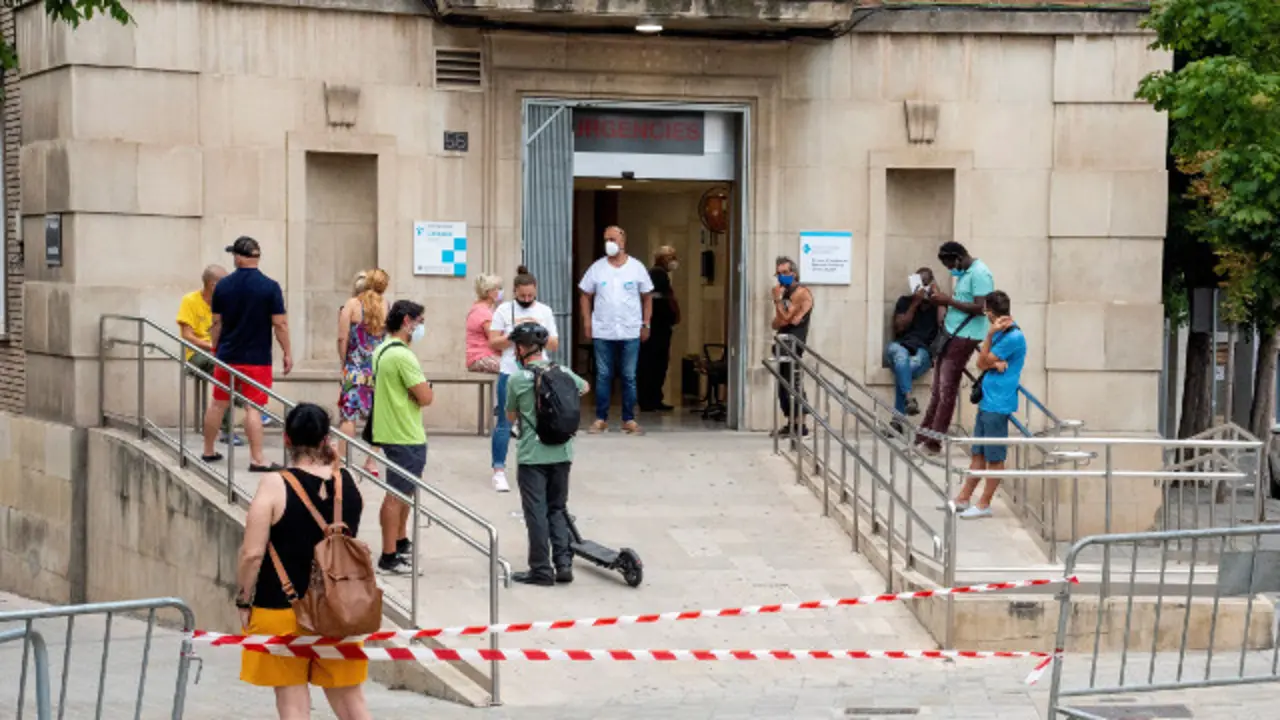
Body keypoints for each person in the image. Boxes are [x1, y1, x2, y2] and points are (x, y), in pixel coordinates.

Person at [234, 403, 371, 720]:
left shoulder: (273, 484)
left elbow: (252, 554)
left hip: (281, 607)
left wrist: (243, 600)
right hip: (339, 611)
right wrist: (334, 463)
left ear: (285, 439)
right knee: (352, 704)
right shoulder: (349, 485)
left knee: (293, 704)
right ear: (327, 439)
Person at [504, 322, 589, 586]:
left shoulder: (518, 379)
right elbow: (584, 387)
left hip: (533, 455)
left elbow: (510, 416)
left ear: (521, 348)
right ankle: (563, 563)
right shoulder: (562, 371)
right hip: (562, 452)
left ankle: (541, 569)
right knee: (557, 508)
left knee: (536, 512)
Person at [202, 236, 292, 472]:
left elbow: (217, 323)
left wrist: (215, 350)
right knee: (254, 408)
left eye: (234, 255)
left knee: (217, 404)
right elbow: (280, 324)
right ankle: (257, 458)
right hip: (257, 360)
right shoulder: (270, 287)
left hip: (227, 356)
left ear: (239, 258)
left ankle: (208, 450)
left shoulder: (223, 286)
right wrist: (287, 352)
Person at [949, 291, 1025, 519]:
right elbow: (985, 362)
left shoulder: (1011, 336)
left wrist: (989, 338)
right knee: (978, 453)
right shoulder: (1003, 332)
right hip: (987, 400)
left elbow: (981, 362)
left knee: (994, 457)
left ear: (990, 313)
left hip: (998, 403)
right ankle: (964, 498)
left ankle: (984, 504)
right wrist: (992, 362)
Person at [370, 300, 432, 575]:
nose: (421, 327)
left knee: (405, 491)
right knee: (397, 494)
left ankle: (400, 540)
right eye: (419, 321)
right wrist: (424, 390)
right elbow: (425, 396)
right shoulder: (403, 356)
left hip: (392, 429)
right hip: (405, 432)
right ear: (407, 321)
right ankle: (389, 556)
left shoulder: (382, 349)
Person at [917, 241, 995, 454]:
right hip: (952, 334)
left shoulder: (980, 273)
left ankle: (934, 441)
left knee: (946, 390)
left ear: (959, 257)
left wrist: (948, 301)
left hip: (965, 336)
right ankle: (923, 435)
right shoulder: (967, 272)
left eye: (951, 264)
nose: (950, 269)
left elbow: (982, 308)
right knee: (938, 390)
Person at [488, 268, 559, 493]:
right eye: (522, 296)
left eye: (530, 296)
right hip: (510, 370)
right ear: (515, 292)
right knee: (504, 422)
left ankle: (539, 466)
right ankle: (498, 469)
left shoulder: (544, 311)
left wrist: (538, 335)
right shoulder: (503, 310)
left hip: (539, 371)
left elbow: (554, 344)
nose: (527, 300)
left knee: (540, 418)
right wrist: (512, 336)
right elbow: (493, 342)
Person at [578, 225, 653, 435]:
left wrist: (646, 323)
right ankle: (601, 418)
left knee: (629, 375)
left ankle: (628, 419)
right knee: (603, 375)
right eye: (606, 240)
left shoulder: (636, 267)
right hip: (603, 330)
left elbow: (647, 297)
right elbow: (585, 294)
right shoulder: (597, 268)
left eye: (612, 239)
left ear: (623, 240)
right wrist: (587, 321)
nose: (609, 243)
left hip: (630, 330)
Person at [177, 264, 240, 446]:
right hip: (196, 354)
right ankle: (249, 409)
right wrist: (212, 346)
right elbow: (187, 336)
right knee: (223, 371)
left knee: (241, 366)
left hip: (221, 352)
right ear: (213, 284)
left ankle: (253, 406)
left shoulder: (226, 303)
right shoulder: (190, 300)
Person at [336, 268, 389, 478]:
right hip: (378, 369)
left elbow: (342, 338)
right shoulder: (386, 305)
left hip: (355, 368)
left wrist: (344, 362)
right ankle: (371, 461)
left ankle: (339, 460)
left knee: (349, 416)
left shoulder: (352, 305)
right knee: (379, 417)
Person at [887, 267, 941, 417]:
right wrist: (915, 303)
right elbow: (899, 327)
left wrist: (938, 296)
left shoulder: (937, 307)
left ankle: (898, 420)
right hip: (901, 345)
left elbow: (943, 324)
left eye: (925, 284)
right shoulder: (905, 302)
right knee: (900, 357)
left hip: (923, 351)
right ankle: (909, 399)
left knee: (904, 368)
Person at [771, 256, 814, 438]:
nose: (782, 277)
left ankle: (801, 424)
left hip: (794, 342)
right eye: (779, 274)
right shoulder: (785, 294)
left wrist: (777, 302)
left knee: (793, 381)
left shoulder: (802, 293)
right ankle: (790, 421)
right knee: (783, 383)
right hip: (782, 341)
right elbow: (776, 323)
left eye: (785, 273)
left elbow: (786, 319)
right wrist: (783, 313)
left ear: (794, 273)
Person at [638, 246, 680, 412]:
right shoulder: (657, 274)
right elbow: (656, 299)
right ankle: (650, 399)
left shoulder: (658, 274)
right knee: (654, 363)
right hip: (657, 327)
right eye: (671, 257)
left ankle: (654, 398)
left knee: (657, 363)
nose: (674, 261)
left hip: (660, 326)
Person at [466, 274, 503, 374]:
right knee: (511, 367)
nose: (500, 292)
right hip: (482, 357)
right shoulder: (483, 312)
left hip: (477, 357)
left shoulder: (478, 308)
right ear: (490, 292)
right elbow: (495, 339)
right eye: (498, 289)